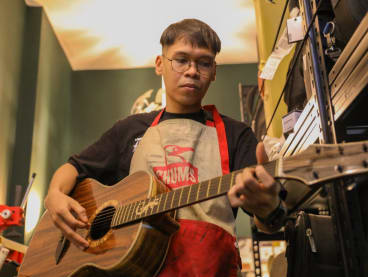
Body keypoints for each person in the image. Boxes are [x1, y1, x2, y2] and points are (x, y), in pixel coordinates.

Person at [44, 18, 282, 276]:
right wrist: (54, 194)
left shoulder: (238, 135)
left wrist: (267, 207)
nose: (192, 70)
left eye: (204, 62)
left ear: (213, 72)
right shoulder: (129, 129)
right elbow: (74, 167)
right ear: (160, 64)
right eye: (181, 60)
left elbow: (268, 224)